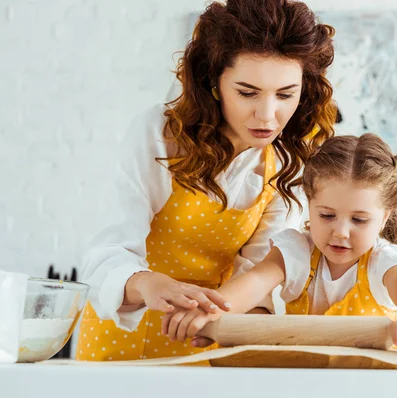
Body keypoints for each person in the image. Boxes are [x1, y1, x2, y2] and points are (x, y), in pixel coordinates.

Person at [76, 0, 337, 361]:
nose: (267, 114)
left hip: (207, 339)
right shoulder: (160, 135)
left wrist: (221, 313)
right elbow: (105, 256)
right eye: (247, 92)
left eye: (285, 94)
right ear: (213, 82)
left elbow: (257, 274)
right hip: (122, 338)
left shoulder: (285, 164)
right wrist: (150, 284)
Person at [163, 134, 397, 352]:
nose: (341, 232)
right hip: (311, 380)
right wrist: (208, 312)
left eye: (359, 220)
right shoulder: (297, 251)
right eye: (327, 215)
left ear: (384, 218)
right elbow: (255, 281)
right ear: (310, 204)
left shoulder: (383, 261)